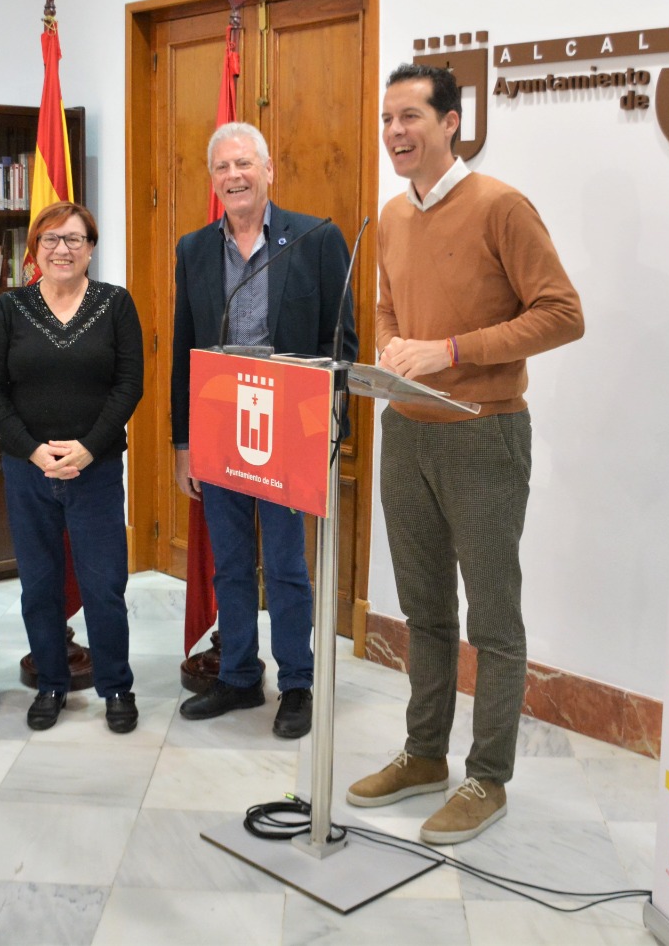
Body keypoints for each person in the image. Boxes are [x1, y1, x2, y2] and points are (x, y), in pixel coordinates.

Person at [348, 64, 583, 844]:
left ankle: (488, 777)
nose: (395, 132)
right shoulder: (391, 216)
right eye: (388, 119)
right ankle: (424, 754)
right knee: (424, 609)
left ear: (452, 123)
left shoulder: (500, 206)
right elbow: (387, 304)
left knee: (494, 618)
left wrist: (449, 350)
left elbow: (562, 313)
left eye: (411, 117)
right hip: (405, 431)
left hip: (485, 432)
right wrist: (392, 347)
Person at [170, 121, 355, 740]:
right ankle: (239, 676)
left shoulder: (316, 239)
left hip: (290, 431)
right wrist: (183, 442)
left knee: (284, 563)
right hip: (220, 426)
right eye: (222, 167)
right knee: (229, 562)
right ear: (212, 180)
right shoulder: (194, 250)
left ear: (269, 170)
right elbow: (184, 350)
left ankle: (297, 682)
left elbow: (342, 342)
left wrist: (323, 430)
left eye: (244, 163)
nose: (234, 176)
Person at [0, 202, 144, 733]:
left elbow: (129, 386)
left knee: (104, 585)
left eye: (74, 239)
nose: (62, 249)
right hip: (27, 471)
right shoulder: (10, 308)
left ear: (91, 248)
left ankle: (116, 687)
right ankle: (51, 683)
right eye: (50, 239)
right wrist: (33, 449)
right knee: (39, 584)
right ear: (35, 249)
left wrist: (89, 448)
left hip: (95, 471)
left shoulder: (116, 304)